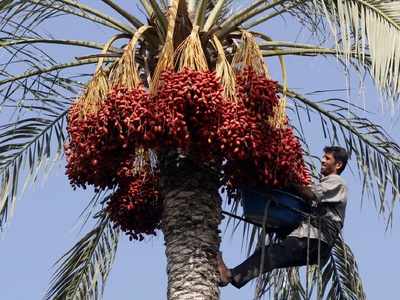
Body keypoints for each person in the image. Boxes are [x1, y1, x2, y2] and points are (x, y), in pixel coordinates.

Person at [217, 146, 349, 289]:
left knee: (270, 254)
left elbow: (310, 193)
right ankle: (234, 276)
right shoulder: (326, 183)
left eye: (327, 158)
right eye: (323, 157)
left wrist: (289, 179)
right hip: (315, 244)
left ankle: (229, 275)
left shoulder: (337, 181)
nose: (322, 161)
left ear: (338, 165)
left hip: (315, 239)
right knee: (270, 256)